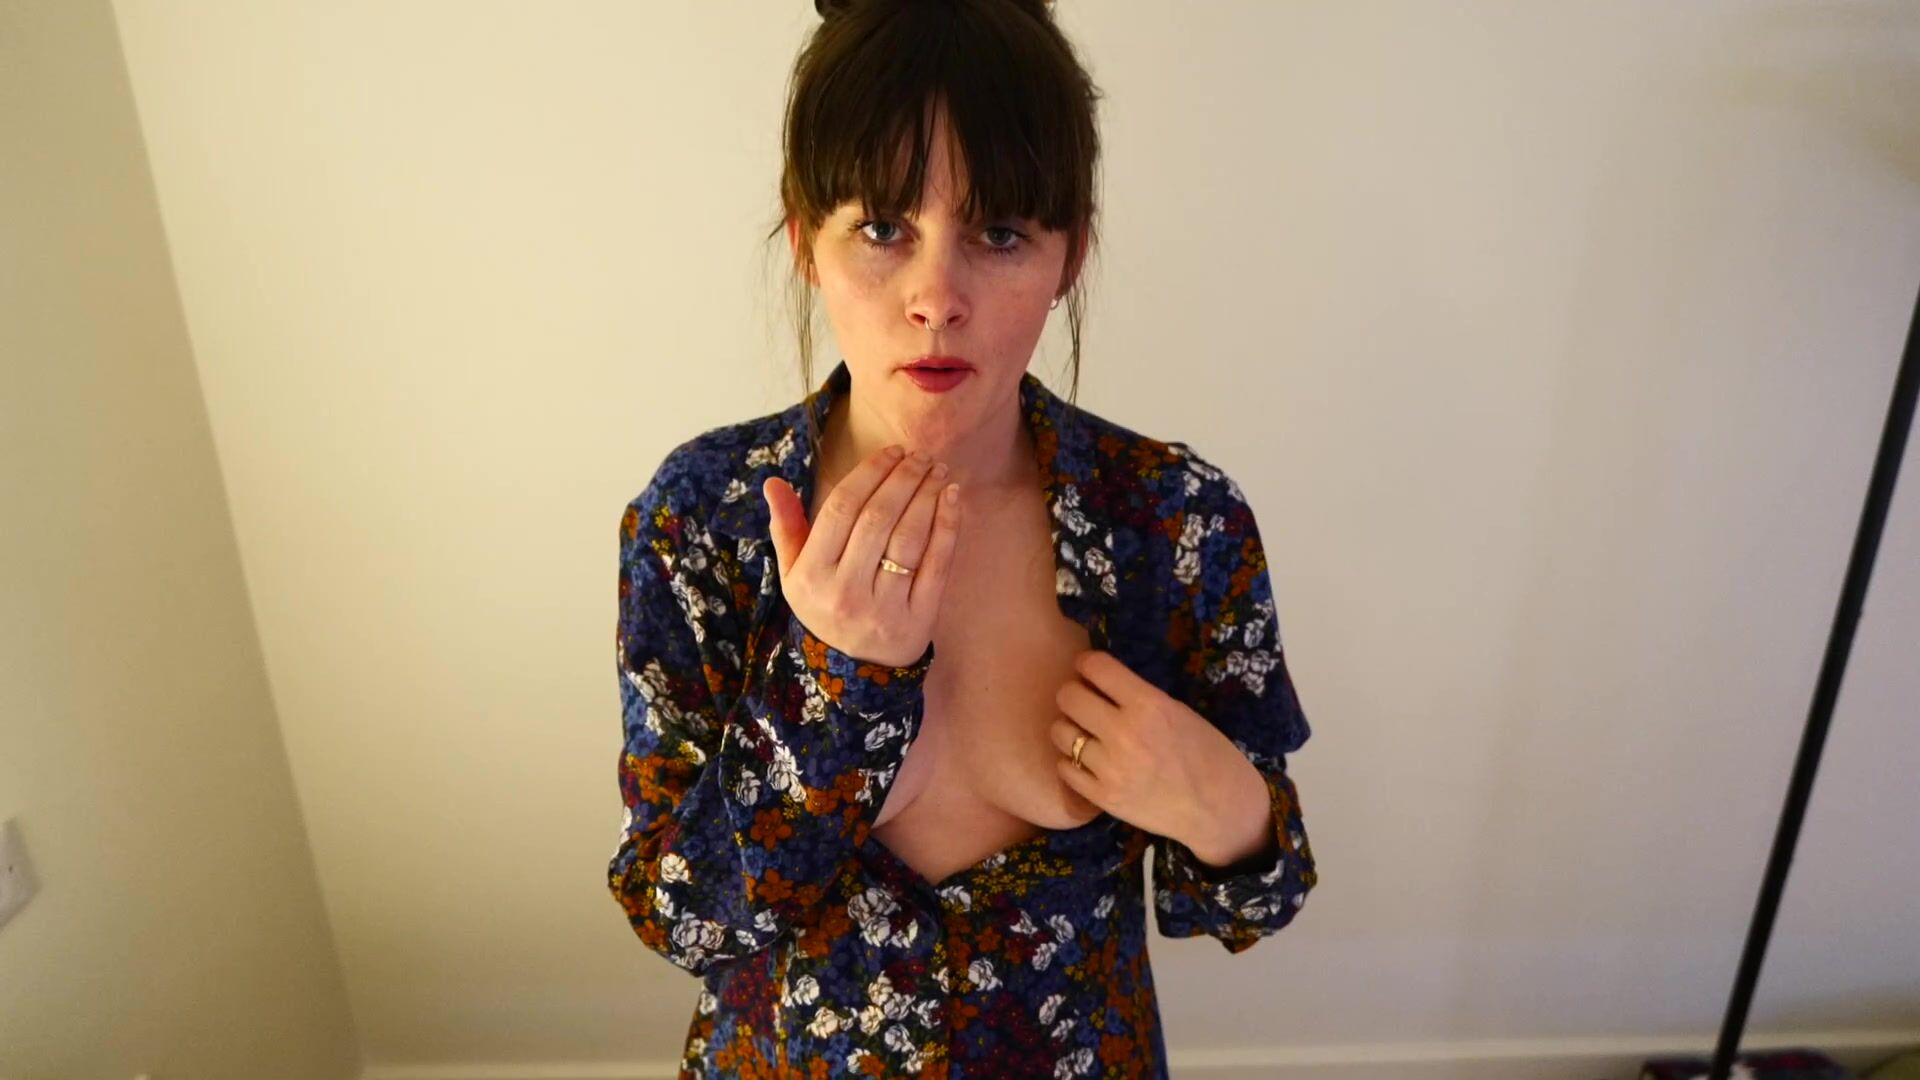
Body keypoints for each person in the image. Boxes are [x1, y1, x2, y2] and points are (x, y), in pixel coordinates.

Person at [609, 1, 1316, 1075]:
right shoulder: (702, 520)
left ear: (1071, 252)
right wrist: (834, 687)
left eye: (999, 233)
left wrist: (1225, 809)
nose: (937, 298)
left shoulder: (1174, 522)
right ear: (806, 242)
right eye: (882, 229)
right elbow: (680, 921)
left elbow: (1261, 894)